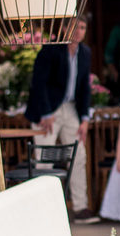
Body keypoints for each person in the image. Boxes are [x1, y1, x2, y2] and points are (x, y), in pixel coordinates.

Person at [26, 15, 98, 224]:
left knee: (78, 154)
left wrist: (84, 118)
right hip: (47, 109)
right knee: (44, 157)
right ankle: (41, 211)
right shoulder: (50, 49)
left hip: (71, 108)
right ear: (64, 29)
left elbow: (84, 88)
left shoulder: (85, 53)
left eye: (82, 27)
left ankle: (80, 207)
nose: (78, 31)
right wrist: (46, 113)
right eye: (74, 27)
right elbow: (38, 83)